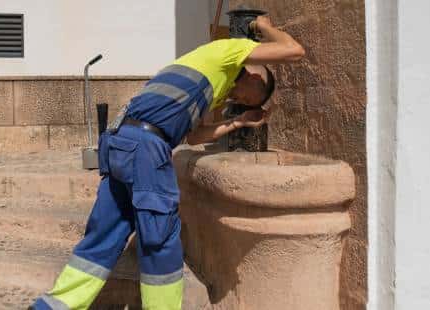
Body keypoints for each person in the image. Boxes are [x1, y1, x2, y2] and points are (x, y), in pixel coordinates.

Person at [31, 15, 304, 310]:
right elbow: (294, 50)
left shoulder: (205, 74)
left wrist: (238, 122)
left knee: (104, 235)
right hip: (147, 151)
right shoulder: (229, 51)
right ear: (255, 77)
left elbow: (195, 137)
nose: (240, 100)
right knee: (160, 241)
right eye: (249, 99)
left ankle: (53, 306)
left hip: (120, 140)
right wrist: (262, 27)